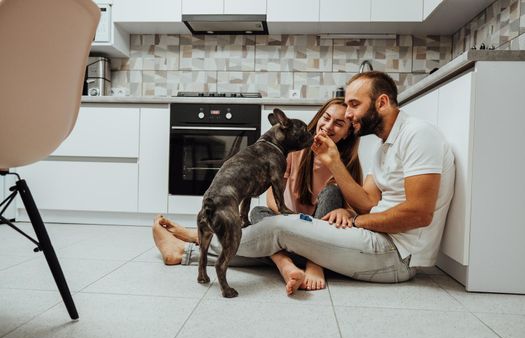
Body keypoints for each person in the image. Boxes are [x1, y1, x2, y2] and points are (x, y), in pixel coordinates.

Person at [153, 71, 455, 296]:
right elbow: (370, 203)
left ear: (383, 102)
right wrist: (355, 213)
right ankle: (201, 248)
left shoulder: (418, 135)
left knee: (279, 230)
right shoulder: (384, 146)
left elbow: (419, 214)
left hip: (396, 256)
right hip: (377, 239)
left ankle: (195, 241)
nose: (348, 115)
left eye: (353, 105)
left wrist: (357, 218)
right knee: (278, 230)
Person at [249, 97, 362, 292]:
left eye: (339, 124)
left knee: (332, 191)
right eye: (326, 118)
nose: (328, 126)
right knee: (257, 212)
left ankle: (314, 262)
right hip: (293, 224)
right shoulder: (294, 151)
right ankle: (285, 264)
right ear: (318, 117)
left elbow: (357, 209)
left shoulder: (347, 162)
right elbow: (271, 199)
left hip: (322, 231)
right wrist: (291, 220)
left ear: (347, 133)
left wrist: (347, 213)